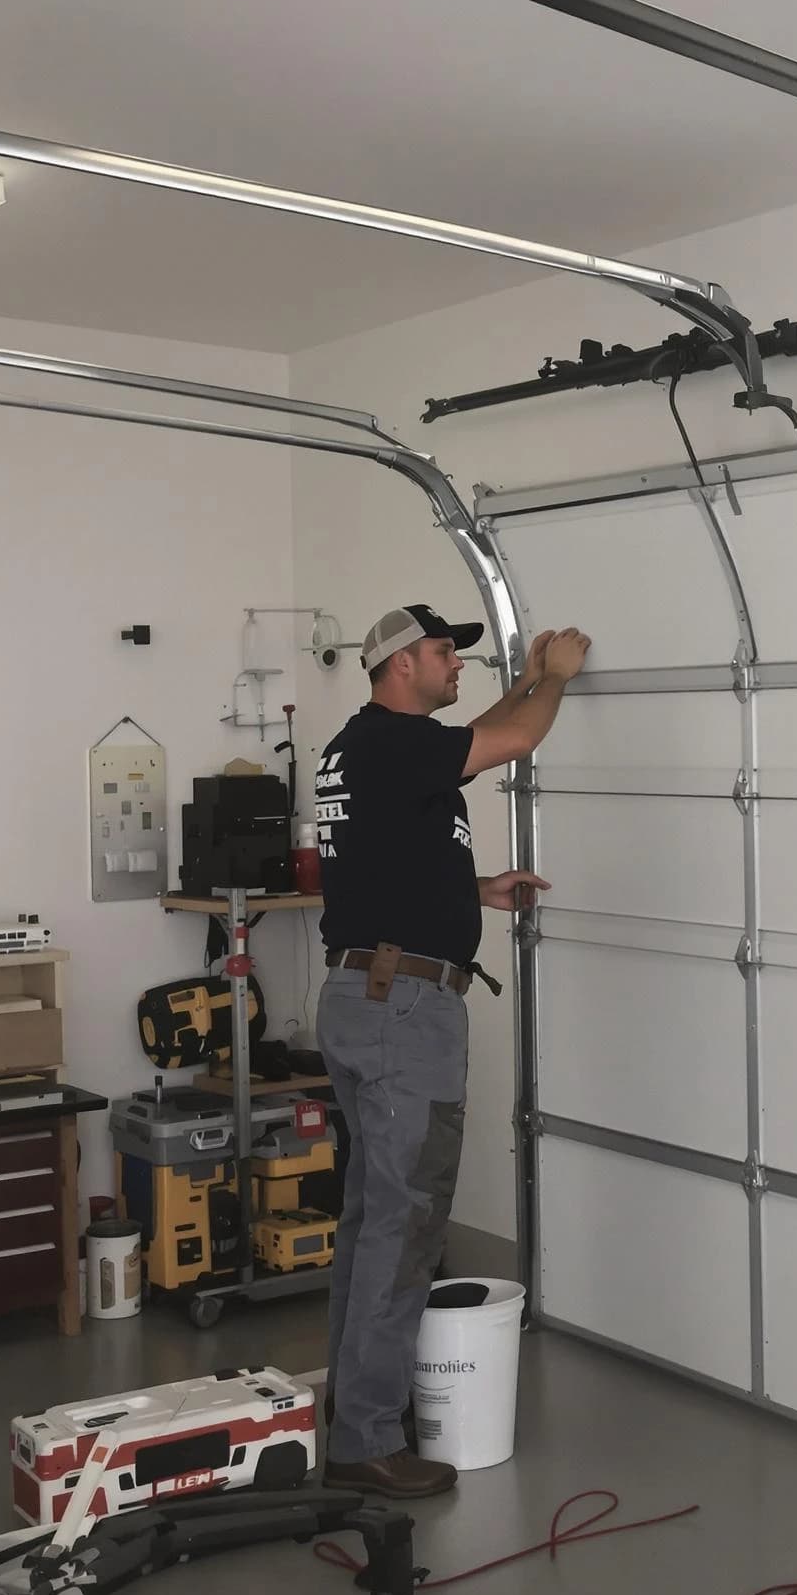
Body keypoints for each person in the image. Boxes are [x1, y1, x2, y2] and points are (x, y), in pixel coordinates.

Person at [313, 602, 590, 1497]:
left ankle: (357, 1418)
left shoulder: (369, 749)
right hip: (403, 1014)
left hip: (367, 994)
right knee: (406, 1227)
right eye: (442, 653)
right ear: (400, 666)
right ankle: (364, 1441)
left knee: (373, 1221)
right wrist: (558, 674)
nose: (453, 666)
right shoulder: (395, 744)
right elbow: (509, 740)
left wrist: (476, 891)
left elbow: (473, 743)